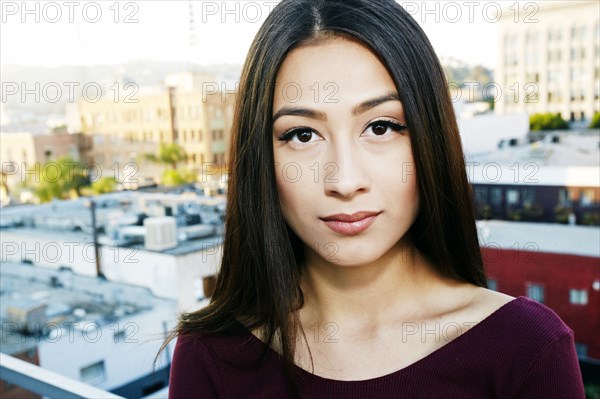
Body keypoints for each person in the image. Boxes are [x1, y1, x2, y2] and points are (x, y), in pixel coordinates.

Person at [159, 0, 585, 397]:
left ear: (429, 138)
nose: (345, 180)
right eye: (302, 135)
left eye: (381, 127)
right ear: (261, 159)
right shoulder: (210, 354)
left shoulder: (526, 349)